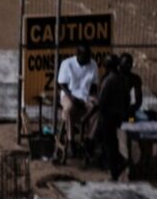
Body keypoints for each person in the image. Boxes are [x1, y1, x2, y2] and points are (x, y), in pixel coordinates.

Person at [54, 43, 97, 163]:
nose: (88, 59)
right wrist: (72, 98)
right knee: (69, 109)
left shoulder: (93, 64)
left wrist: (92, 98)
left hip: (85, 96)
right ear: (78, 54)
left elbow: (94, 85)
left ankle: (88, 140)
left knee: (97, 110)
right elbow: (62, 84)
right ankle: (71, 141)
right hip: (69, 95)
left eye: (89, 56)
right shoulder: (67, 64)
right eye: (86, 57)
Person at [91, 54, 129, 182]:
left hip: (107, 117)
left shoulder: (108, 80)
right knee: (111, 142)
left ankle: (116, 169)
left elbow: (101, 102)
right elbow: (127, 99)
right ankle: (118, 163)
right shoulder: (123, 79)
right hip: (118, 116)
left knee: (109, 145)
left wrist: (95, 102)